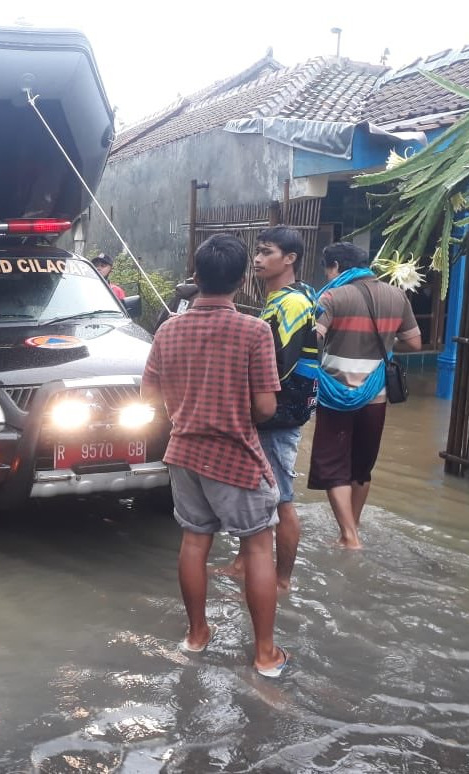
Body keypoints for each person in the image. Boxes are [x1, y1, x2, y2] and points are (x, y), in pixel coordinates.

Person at [141, 233, 288, 677]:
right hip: (235, 454)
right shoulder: (254, 330)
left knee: (194, 542)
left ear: (196, 276)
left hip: (183, 452)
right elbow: (266, 407)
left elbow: (148, 396)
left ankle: (196, 635)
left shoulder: (168, 329)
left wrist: (185, 409)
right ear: (242, 281)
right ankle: (265, 655)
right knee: (260, 548)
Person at [308, 242, 421, 548]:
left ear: (334, 266)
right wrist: (382, 341)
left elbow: (312, 339)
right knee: (361, 466)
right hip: (376, 394)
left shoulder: (331, 296)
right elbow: (414, 343)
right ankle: (352, 528)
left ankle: (349, 536)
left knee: (333, 466)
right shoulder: (396, 296)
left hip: (334, 393)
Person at [223, 226, 318, 592]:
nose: (258, 260)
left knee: (281, 500)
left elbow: (278, 365)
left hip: (279, 414)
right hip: (274, 412)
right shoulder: (287, 296)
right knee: (260, 493)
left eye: (267, 252)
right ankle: (243, 564)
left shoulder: (292, 302)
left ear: (289, 258)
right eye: (257, 253)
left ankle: (282, 581)